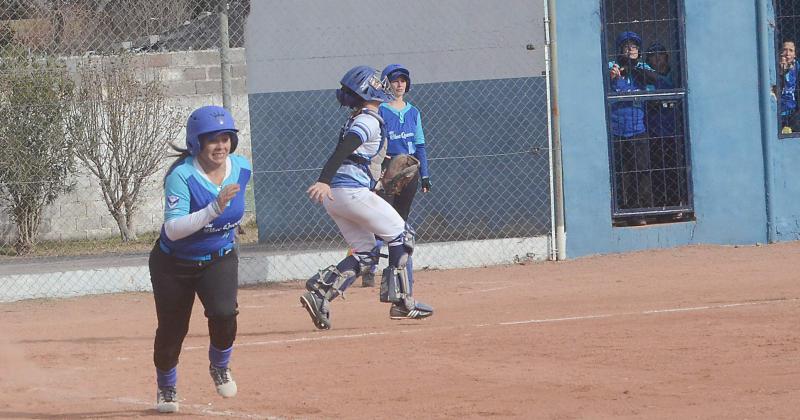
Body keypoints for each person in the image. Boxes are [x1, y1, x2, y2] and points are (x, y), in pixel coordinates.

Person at [300, 65, 434, 330]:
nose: (383, 85)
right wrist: (323, 179)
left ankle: (320, 293)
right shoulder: (368, 120)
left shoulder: (361, 116)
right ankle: (402, 302)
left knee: (365, 252)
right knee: (402, 235)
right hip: (347, 191)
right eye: (377, 82)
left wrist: (372, 182)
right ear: (368, 89)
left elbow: (356, 157)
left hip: (341, 194)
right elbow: (345, 148)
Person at [149, 105, 252, 413]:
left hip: (218, 257)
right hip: (173, 263)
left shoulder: (242, 167)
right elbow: (174, 228)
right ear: (196, 142)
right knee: (172, 330)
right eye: (212, 139)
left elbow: (234, 206)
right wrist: (214, 210)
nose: (220, 146)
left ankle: (219, 366)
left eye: (226, 138)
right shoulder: (181, 175)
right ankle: (166, 386)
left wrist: (230, 222)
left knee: (224, 313)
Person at [354, 64, 432, 288]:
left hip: (408, 173)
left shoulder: (413, 112)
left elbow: (420, 146)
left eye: (403, 80)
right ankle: (369, 266)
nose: (400, 84)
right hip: (387, 174)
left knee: (400, 222)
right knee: (380, 222)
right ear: (386, 84)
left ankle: (398, 270)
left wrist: (424, 175)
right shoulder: (380, 110)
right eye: (395, 80)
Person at [608, 31, 658, 225]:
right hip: (618, 129)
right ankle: (625, 210)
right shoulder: (613, 67)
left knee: (642, 169)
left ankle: (643, 209)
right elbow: (606, 78)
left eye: (634, 46)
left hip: (638, 128)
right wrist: (614, 74)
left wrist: (632, 66)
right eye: (627, 47)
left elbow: (654, 79)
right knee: (623, 171)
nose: (631, 49)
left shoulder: (642, 67)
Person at [644, 42, 686, 218]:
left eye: (660, 54)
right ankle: (660, 206)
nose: (657, 58)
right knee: (656, 169)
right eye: (653, 55)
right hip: (653, 131)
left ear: (666, 57)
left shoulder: (674, 74)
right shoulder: (645, 77)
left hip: (672, 131)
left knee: (673, 168)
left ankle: (675, 204)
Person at [779, 40, 799, 133]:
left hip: (792, 110)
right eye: (785, 50)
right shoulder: (775, 66)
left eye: (791, 50)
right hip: (779, 111)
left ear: (795, 54)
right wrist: (782, 71)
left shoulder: (796, 65)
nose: (787, 54)